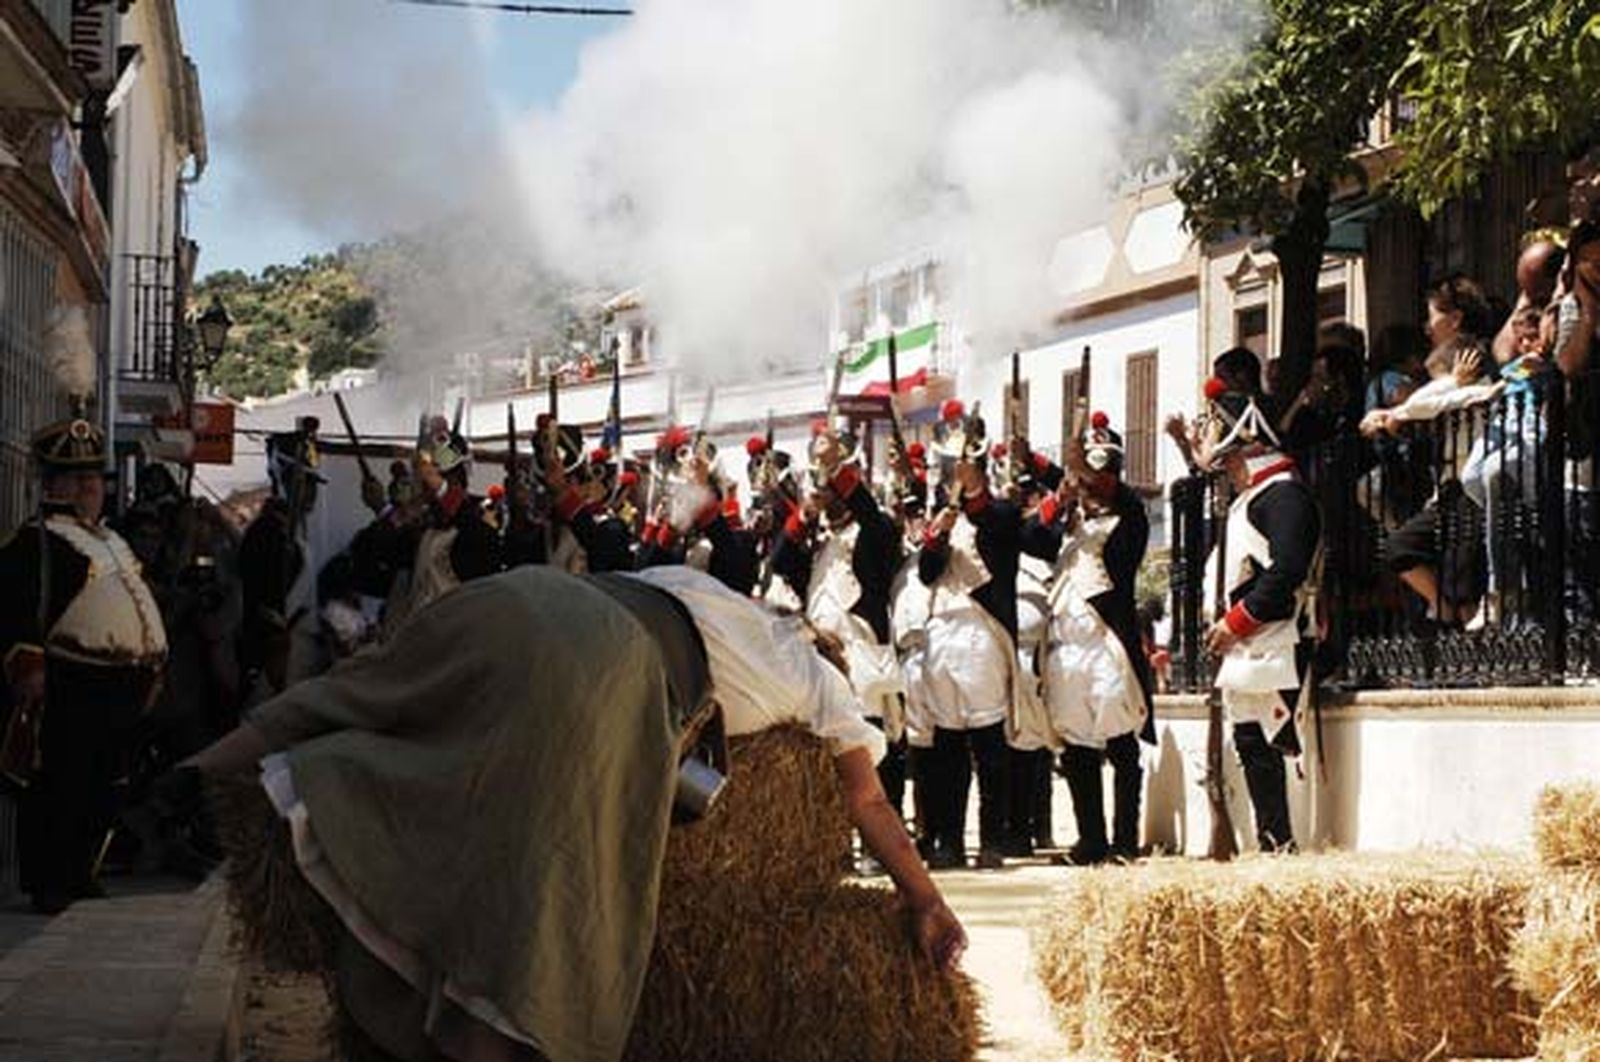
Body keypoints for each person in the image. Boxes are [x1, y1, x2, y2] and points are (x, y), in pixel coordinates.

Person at [174, 563, 966, 1062]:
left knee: (367, 696)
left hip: (525, 594)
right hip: (608, 662)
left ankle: (207, 770)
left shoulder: (704, 585)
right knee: (560, 914)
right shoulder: (820, 685)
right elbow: (867, 800)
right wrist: (926, 900)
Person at [0, 412, 168, 913]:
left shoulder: (109, 539)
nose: (96, 488)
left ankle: (80, 869)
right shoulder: (37, 542)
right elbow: (14, 607)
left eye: (96, 479)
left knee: (105, 783)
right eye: (86, 480)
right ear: (60, 484)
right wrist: (28, 664)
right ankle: (49, 878)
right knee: (60, 783)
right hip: (73, 678)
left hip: (122, 684)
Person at [909, 400, 1044, 870]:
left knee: (989, 747)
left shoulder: (1000, 513)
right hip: (941, 633)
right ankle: (947, 839)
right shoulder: (941, 517)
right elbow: (927, 574)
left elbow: (1000, 525)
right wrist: (937, 537)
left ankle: (992, 839)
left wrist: (973, 498)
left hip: (981, 633)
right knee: (946, 749)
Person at [1023, 414, 1153, 865]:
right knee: (1077, 749)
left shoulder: (1129, 520)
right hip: (1065, 652)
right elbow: (1029, 538)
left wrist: (1076, 473)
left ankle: (1124, 842)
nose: (1095, 484)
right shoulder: (1070, 523)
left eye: (1103, 475)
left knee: (1120, 745)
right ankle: (1091, 841)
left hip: (1105, 648)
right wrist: (1058, 498)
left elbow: (1127, 501)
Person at [1197, 384, 1321, 854]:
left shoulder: (1283, 495)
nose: (1227, 470)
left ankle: (1283, 846)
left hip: (1276, 640)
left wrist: (1237, 621)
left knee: (1277, 743)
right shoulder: (1258, 496)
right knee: (1251, 742)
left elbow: (1288, 570)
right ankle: (1274, 843)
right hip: (1254, 646)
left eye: (1230, 460)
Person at [772, 429, 908, 845]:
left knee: (875, 749)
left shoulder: (872, 533)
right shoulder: (818, 538)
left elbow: (876, 522)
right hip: (824, 657)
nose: (823, 491)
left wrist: (837, 468)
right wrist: (803, 517)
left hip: (862, 652)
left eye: (829, 487)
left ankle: (882, 839)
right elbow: (780, 562)